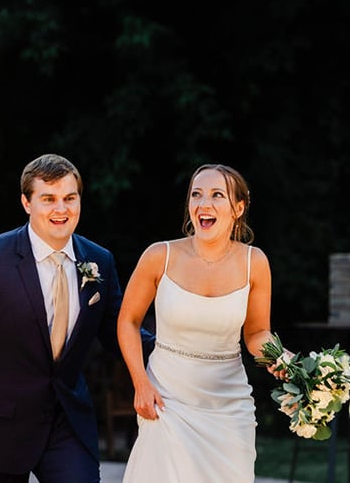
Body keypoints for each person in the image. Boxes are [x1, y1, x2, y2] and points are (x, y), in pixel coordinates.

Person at [0, 154, 152, 483]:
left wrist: (182, 353)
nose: (60, 210)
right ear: (26, 202)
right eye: (48, 199)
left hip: (66, 424)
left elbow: (118, 332)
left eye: (69, 198)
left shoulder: (99, 261)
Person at [117, 163, 284, 482]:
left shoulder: (255, 263)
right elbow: (128, 320)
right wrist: (140, 382)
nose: (203, 204)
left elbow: (257, 333)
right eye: (196, 194)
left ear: (238, 208)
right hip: (166, 398)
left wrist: (280, 357)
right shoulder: (159, 256)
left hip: (228, 406)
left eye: (216, 195)